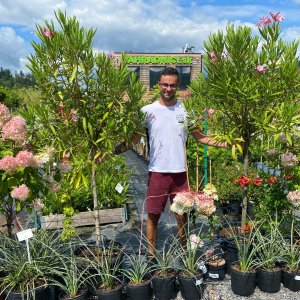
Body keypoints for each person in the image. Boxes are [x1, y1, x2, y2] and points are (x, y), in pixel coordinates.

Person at [141, 67, 228, 255]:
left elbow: (201, 137)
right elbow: (132, 138)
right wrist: (109, 152)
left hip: (181, 173)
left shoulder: (186, 111)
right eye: (165, 84)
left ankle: (183, 254)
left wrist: (228, 143)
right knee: (153, 215)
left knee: (183, 216)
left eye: (172, 85)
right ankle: (150, 255)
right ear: (158, 85)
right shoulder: (147, 111)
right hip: (157, 171)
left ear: (177, 86)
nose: (168, 88)